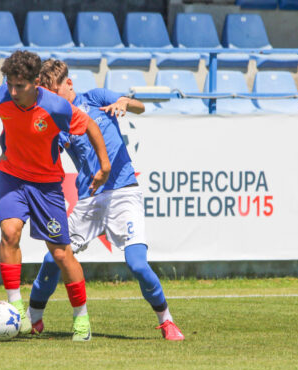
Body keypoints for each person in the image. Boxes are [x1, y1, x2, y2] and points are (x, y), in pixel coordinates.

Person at [0, 51, 111, 341]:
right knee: (9, 233)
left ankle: (81, 319)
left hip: (47, 186)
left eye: (20, 86)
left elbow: (89, 125)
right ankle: (16, 310)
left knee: (61, 253)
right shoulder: (2, 95)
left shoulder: (55, 106)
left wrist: (104, 165)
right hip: (12, 176)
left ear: (36, 82)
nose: (13, 92)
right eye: (10, 84)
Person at [29, 59, 184, 341]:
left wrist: (125, 102)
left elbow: (140, 106)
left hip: (124, 193)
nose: (52, 99)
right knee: (53, 258)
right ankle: (33, 318)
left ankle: (166, 321)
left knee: (137, 264)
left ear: (69, 84)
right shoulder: (58, 122)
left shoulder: (96, 97)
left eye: (55, 91)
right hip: (89, 199)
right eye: (47, 94)